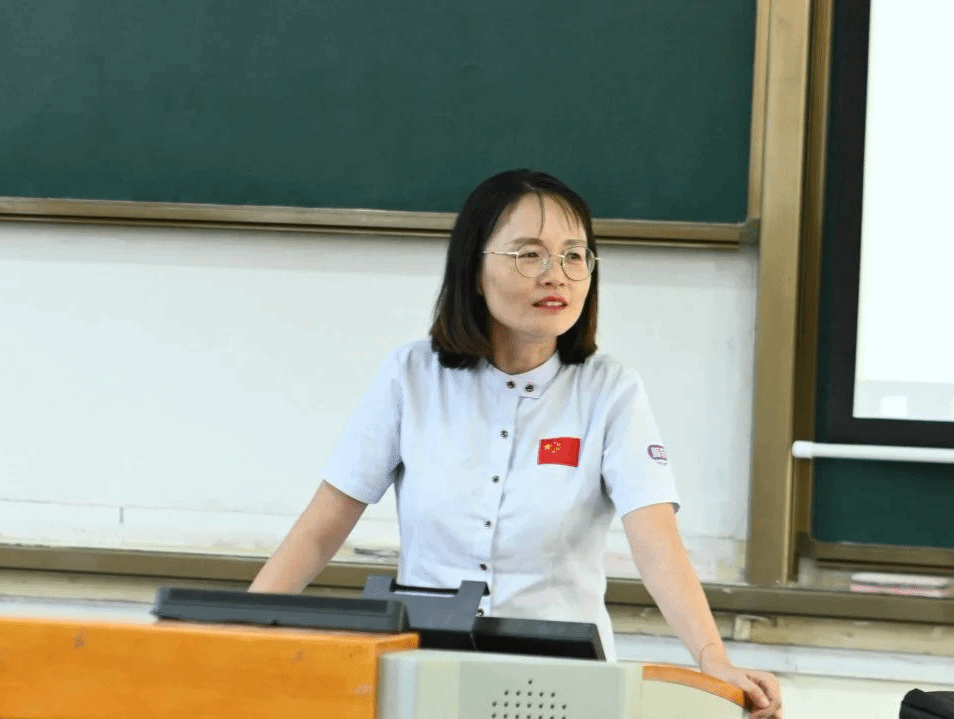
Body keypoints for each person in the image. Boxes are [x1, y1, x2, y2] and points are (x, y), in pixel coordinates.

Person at [250, 169, 783, 718]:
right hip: (426, 675)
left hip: (564, 684)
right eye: (530, 255)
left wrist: (712, 656)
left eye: (574, 256)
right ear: (475, 272)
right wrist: (237, 631)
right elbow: (321, 529)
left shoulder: (610, 391)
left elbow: (656, 542)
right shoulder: (410, 376)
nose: (557, 276)